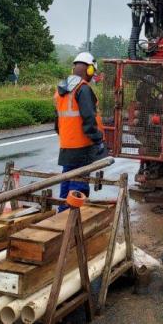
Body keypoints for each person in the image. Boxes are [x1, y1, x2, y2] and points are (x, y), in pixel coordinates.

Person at [54, 52, 107, 211]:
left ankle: (62, 214)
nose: (93, 76)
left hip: (66, 146)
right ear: (89, 70)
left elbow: (57, 123)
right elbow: (89, 119)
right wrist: (98, 140)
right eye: (93, 72)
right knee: (78, 185)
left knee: (67, 180)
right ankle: (72, 220)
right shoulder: (82, 89)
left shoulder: (61, 90)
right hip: (82, 146)